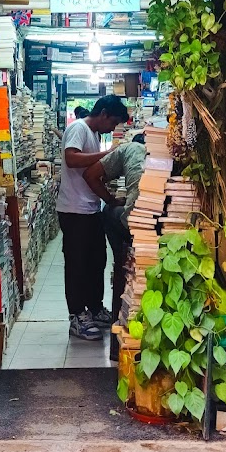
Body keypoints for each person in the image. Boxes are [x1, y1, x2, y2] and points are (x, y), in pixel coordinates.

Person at [56, 94, 130, 341]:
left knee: (96, 261)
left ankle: (95, 308)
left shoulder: (94, 134)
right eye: (113, 122)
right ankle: (77, 316)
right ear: (104, 114)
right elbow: (71, 158)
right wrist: (107, 155)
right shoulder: (79, 128)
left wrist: (110, 198)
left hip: (90, 209)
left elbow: (91, 174)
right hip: (73, 210)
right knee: (77, 264)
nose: (113, 128)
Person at [84, 133, 147, 359]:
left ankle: (120, 258)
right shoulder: (161, 154)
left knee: (108, 212)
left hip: (134, 222)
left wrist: (110, 199)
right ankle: (123, 258)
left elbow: (90, 174)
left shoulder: (127, 149)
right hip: (162, 220)